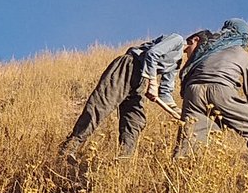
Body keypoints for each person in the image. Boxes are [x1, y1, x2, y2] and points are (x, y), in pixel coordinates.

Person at [59, 32, 205, 159]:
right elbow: (152, 54)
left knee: (136, 122)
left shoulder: (177, 63)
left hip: (140, 82)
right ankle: (69, 148)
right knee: (101, 107)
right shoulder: (177, 40)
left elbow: (165, 93)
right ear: (195, 40)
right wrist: (153, 83)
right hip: (129, 66)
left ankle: (122, 162)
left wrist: (178, 112)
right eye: (199, 49)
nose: (197, 55)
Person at [174, 20, 248, 180]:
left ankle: (176, 192)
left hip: (192, 92)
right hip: (220, 90)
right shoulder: (241, 53)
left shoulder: (209, 49)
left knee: (189, 145)